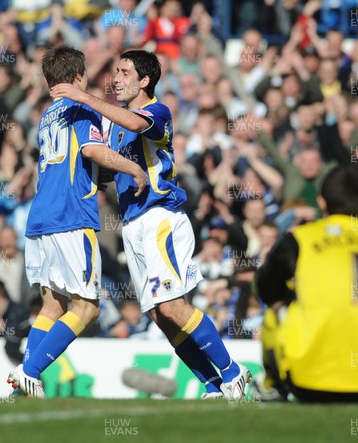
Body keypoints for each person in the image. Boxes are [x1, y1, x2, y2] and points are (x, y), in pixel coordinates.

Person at [51, 50, 251, 399]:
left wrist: (82, 96)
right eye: (114, 71)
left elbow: (135, 124)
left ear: (144, 81)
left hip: (160, 217)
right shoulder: (115, 125)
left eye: (125, 72)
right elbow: (113, 168)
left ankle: (234, 372)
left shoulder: (157, 112)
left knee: (173, 306)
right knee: (160, 316)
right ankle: (213, 385)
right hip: (132, 223)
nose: (116, 78)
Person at [7, 46, 147, 398]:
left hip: (40, 218)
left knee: (52, 306)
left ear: (46, 80)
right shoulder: (81, 107)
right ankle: (30, 371)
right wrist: (133, 167)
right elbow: (90, 150)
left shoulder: (46, 115)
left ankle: (25, 382)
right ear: (79, 77)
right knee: (86, 307)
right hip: (70, 217)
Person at [256, 166, 358, 402]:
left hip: (307, 382)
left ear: (322, 202)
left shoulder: (300, 239)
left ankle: (272, 386)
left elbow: (265, 289)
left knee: (277, 309)